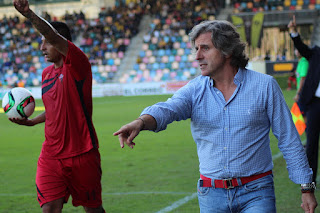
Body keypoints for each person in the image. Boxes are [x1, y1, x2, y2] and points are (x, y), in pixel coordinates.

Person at [114, 20, 317, 213]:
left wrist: (306, 188)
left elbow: (289, 139)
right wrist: (141, 122)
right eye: (196, 49)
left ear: (227, 50)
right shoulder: (195, 90)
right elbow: (168, 109)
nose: (197, 56)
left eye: (205, 48)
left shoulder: (265, 86)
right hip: (211, 194)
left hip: (257, 191)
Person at [10, 0, 105, 212]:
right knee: (49, 208)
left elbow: (53, 35)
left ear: (62, 44)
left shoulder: (78, 64)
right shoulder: (46, 74)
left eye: (47, 42)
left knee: (93, 209)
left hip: (83, 153)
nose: (42, 47)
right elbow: (54, 110)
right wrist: (33, 122)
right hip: (51, 156)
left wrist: (29, 14)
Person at [288, 15, 320, 185]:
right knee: (312, 143)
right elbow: (301, 47)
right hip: (315, 104)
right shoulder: (315, 53)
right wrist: (294, 32)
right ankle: (310, 181)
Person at [293, 48, 309, 120]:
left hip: (303, 93)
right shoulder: (300, 62)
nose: (296, 51)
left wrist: (298, 93)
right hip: (302, 92)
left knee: (304, 114)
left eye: (297, 49)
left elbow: (303, 78)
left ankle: (308, 130)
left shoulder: (304, 62)